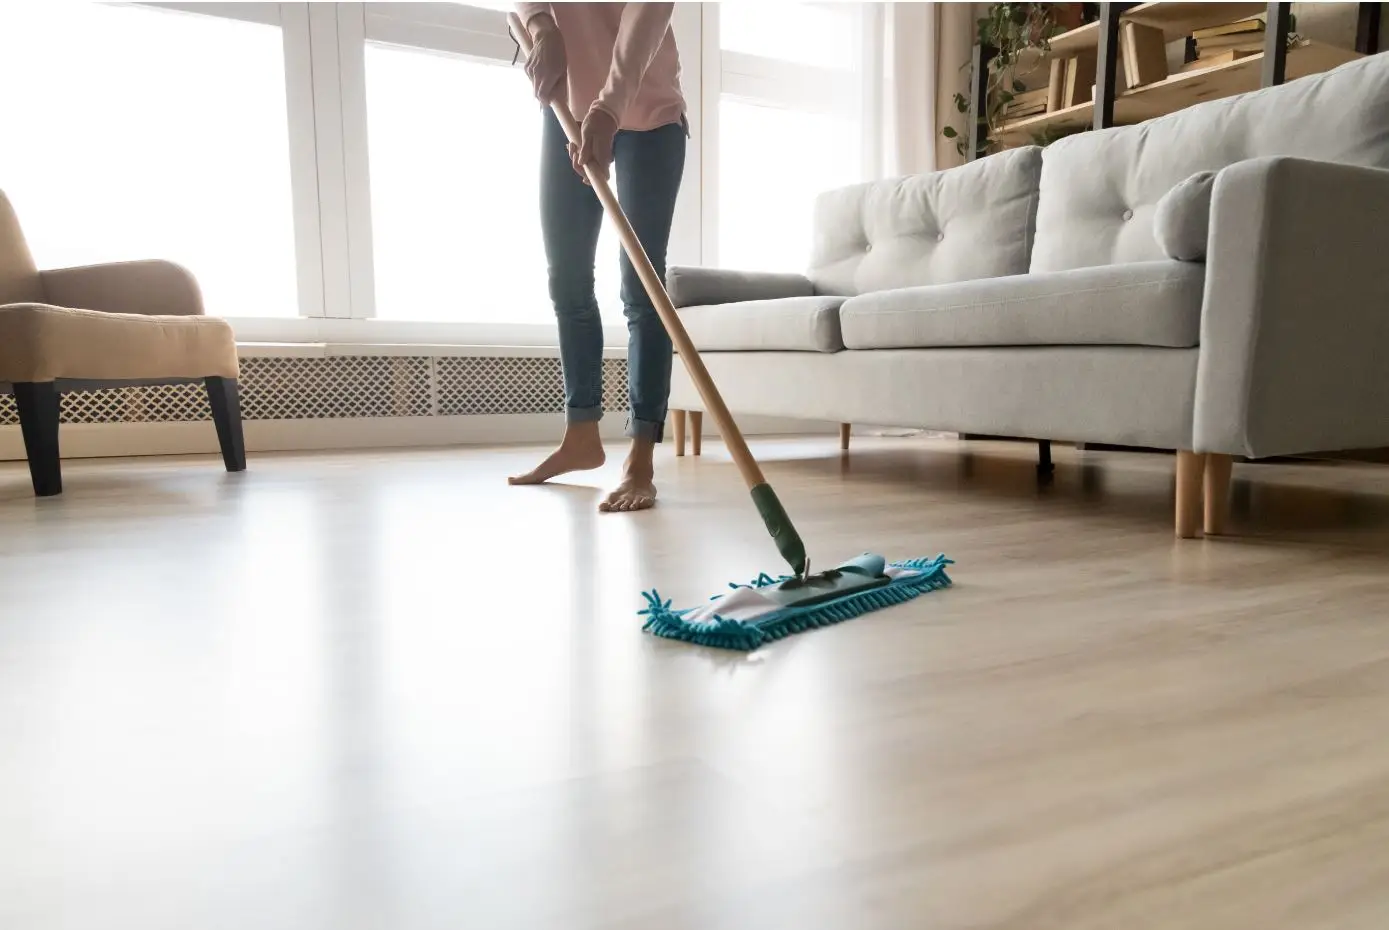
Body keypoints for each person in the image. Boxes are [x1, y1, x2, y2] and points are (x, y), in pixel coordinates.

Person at [508, 2, 686, 513]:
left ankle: (641, 458)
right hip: (569, 104)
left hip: (648, 114)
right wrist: (542, 28)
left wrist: (609, 107)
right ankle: (581, 436)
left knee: (641, 286)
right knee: (566, 278)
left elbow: (647, 16)